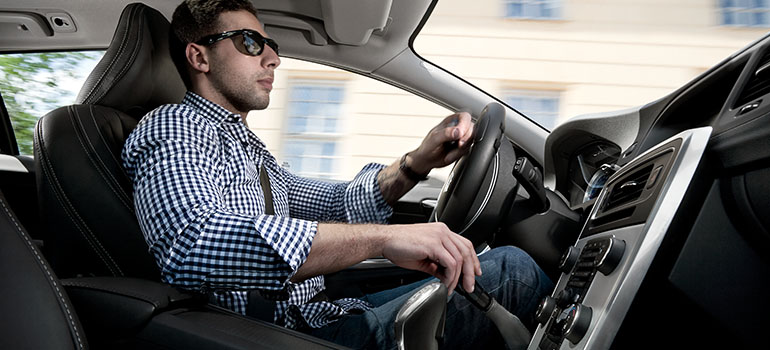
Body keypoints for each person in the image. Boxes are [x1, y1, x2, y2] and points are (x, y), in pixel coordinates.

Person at [122, 0, 553, 348]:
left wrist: (416, 162)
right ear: (199, 56)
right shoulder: (175, 126)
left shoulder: (249, 148)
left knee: (493, 269)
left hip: (318, 315)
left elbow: (335, 203)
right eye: (251, 43)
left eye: (271, 45)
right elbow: (193, 244)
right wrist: (383, 240)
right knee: (514, 272)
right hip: (275, 335)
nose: (273, 57)